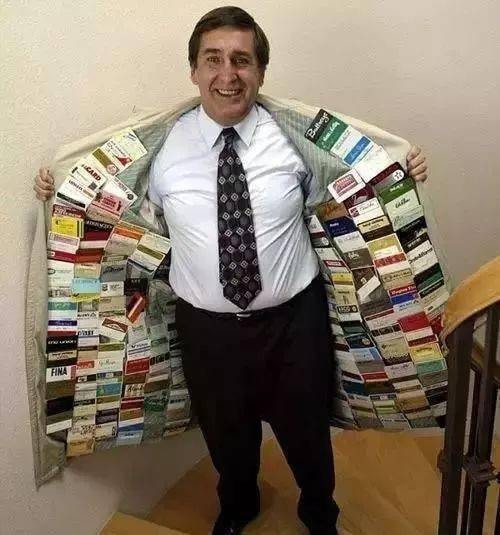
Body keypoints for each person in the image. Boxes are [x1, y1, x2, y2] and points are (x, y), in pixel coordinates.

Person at [34, 6, 428, 534]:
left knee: (307, 433)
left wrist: (402, 166)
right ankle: (238, 507)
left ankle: (320, 513)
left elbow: (352, 183)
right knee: (226, 436)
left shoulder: (294, 139)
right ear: (193, 70)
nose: (228, 75)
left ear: (261, 72)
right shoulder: (161, 150)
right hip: (207, 331)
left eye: (242, 60)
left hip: (295, 324)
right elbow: (113, 206)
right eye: (213, 59)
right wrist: (61, 185)